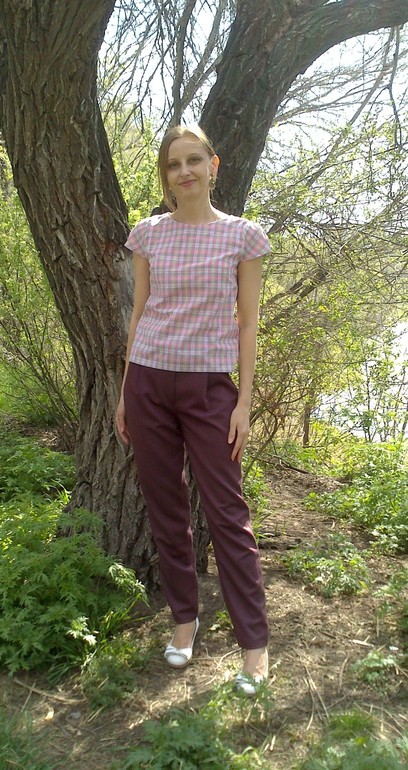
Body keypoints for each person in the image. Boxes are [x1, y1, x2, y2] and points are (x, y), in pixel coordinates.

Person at [116, 124, 270, 695]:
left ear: (213, 165)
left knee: (227, 514)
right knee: (166, 508)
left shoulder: (242, 237)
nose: (184, 172)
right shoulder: (148, 234)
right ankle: (185, 619)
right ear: (166, 175)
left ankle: (254, 644)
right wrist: (124, 391)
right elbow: (139, 313)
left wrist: (244, 402)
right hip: (148, 383)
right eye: (174, 164)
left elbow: (248, 324)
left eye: (193, 161)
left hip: (210, 391)